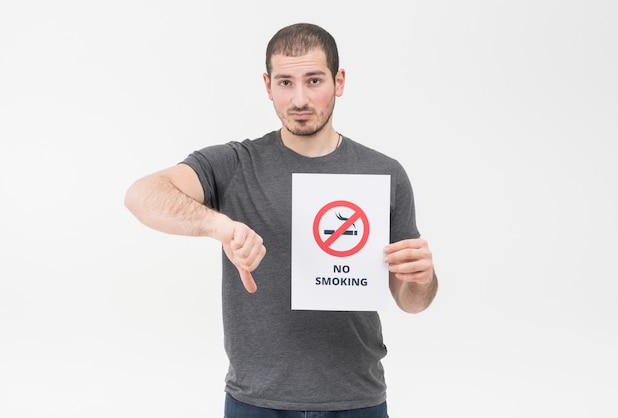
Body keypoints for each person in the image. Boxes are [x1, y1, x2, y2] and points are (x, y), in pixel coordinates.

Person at [125, 22, 437, 418]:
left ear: (339, 82)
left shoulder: (384, 173)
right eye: (286, 83)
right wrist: (220, 226)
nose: (300, 99)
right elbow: (141, 195)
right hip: (255, 401)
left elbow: (411, 302)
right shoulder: (236, 164)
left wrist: (422, 279)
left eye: (314, 80)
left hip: (356, 400)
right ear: (268, 86)